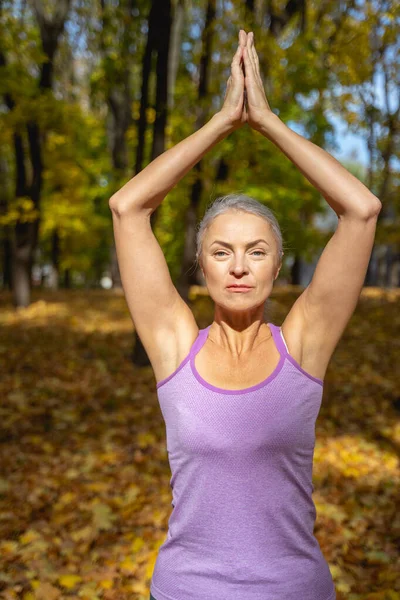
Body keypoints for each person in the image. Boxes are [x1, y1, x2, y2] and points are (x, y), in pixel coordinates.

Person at [109, 28, 381, 600]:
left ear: (277, 267)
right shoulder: (175, 345)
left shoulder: (303, 345)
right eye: (222, 252)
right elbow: (128, 207)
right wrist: (222, 121)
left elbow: (361, 210)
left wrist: (267, 122)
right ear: (201, 268)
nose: (239, 267)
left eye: (257, 252)